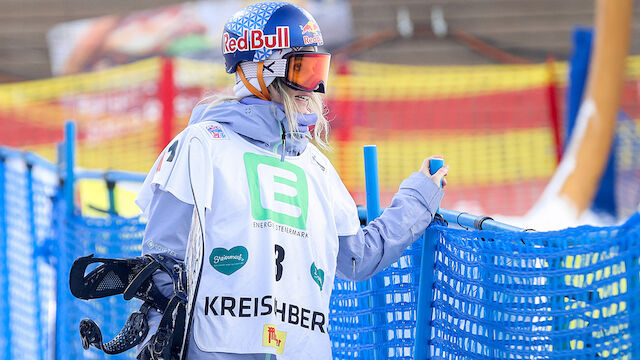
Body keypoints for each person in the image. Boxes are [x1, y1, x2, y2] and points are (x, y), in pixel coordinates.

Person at [135, 2, 449, 359]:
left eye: (319, 70)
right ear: (259, 70)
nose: (313, 87)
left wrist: (418, 199)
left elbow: (356, 258)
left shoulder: (314, 164)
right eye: (302, 69)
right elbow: (161, 263)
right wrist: (159, 340)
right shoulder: (202, 146)